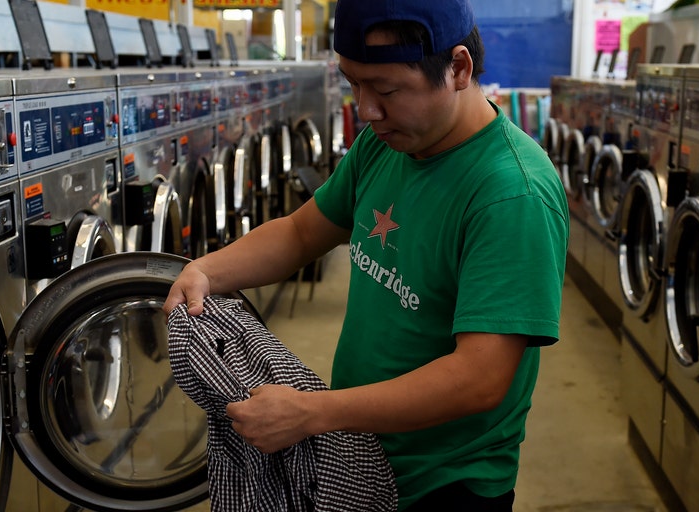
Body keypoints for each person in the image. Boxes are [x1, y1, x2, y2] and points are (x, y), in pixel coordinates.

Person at [163, 0, 569, 509]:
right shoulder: (388, 143)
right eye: (354, 83)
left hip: (443, 484)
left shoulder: (511, 193)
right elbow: (299, 233)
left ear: (459, 69)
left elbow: (479, 379)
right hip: (359, 457)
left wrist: (313, 412)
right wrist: (205, 271)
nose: (366, 108)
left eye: (386, 89)